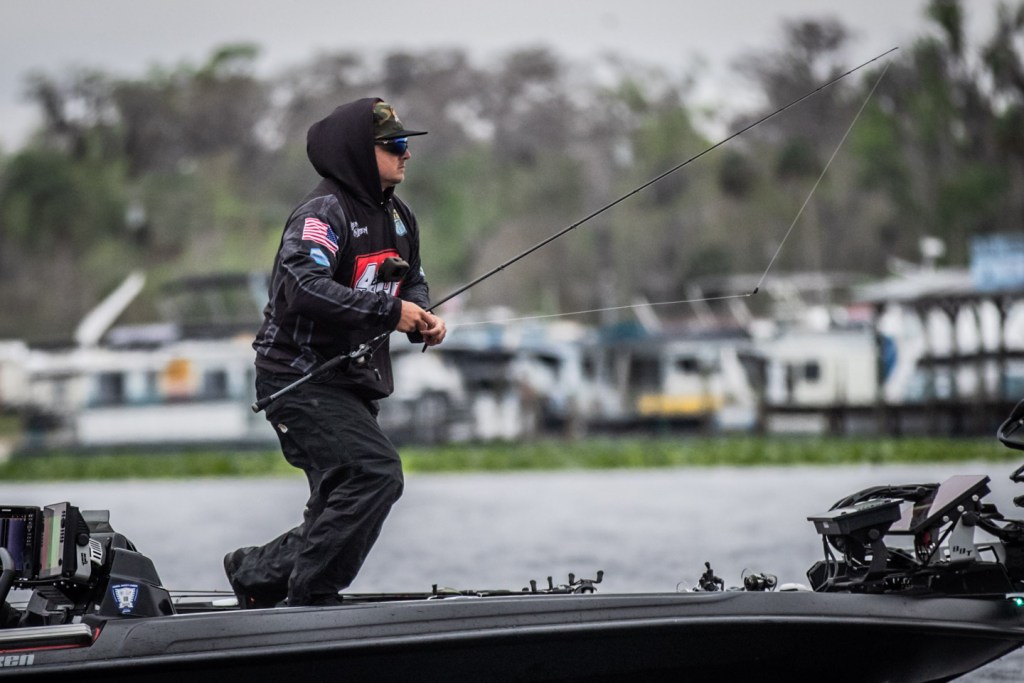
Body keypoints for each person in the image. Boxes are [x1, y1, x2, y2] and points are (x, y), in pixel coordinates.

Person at [224, 98, 446, 608]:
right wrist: (390, 313)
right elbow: (301, 286)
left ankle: (255, 575)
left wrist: (421, 315)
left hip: (350, 384)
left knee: (339, 505)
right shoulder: (322, 214)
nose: (406, 153)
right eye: (395, 144)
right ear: (358, 152)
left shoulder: (400, 216)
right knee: (375, 474)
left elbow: (412, 281)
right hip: (297, 379)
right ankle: (312, 598)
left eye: (406, 143)